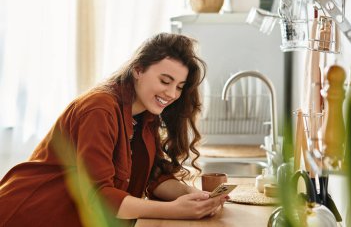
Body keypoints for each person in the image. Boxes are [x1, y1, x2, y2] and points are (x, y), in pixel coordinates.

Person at [0, 33, 228, 226]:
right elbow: (100, 196)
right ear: (138, 70)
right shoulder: (99, 109)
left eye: (179, 86)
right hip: (25, 215)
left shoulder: (146, 115)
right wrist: (177, 210)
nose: (171, 94)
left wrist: (190, 195)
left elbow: (154, 178)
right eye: (165, 80)